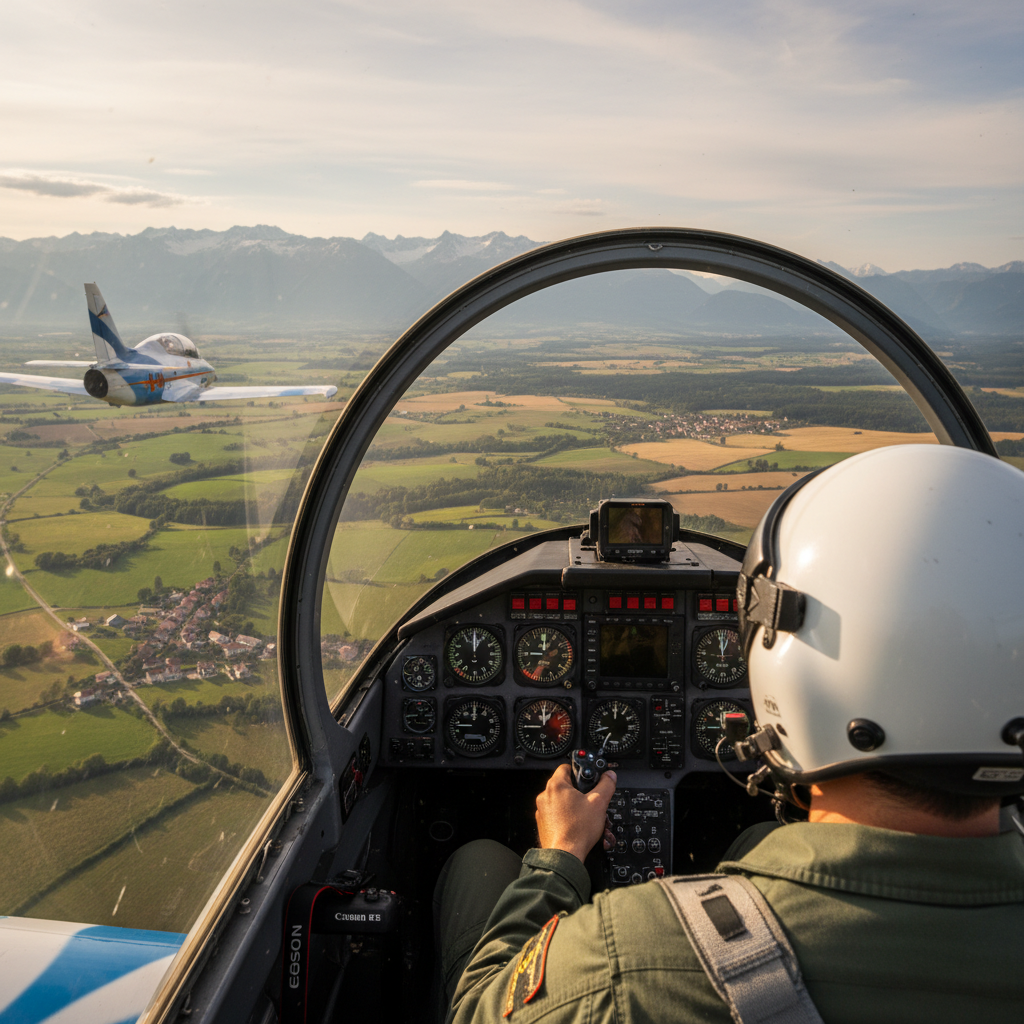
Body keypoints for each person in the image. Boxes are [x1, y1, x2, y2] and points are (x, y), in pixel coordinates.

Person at [434, 444, 1024, 1023]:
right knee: (755, 839)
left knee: (477, 859)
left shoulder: (624, 955)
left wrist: (560, 857)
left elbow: (483, 1011)